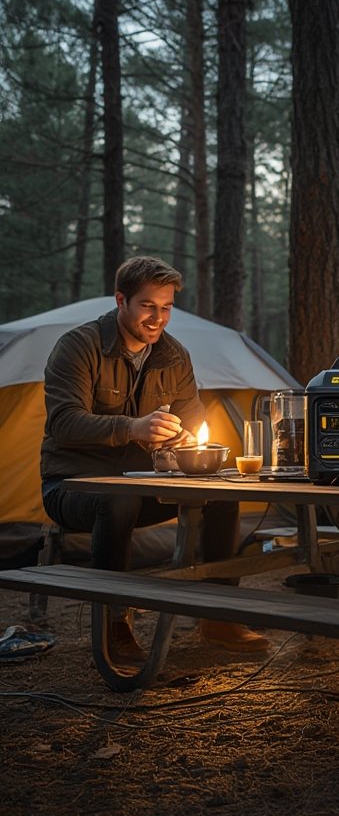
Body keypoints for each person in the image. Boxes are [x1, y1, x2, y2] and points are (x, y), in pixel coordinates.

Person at [41, 255, 268, 665]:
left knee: (222, 493)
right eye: (148, 305)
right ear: (120, 300)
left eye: (166, 308)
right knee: (118, 501)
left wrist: (183, 441)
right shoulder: (79, 346)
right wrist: (132, 428)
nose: (158, 318)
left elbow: (194, 422)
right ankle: (114, 624)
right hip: (72, 486)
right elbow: (63, 423)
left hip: (145, 483)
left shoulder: (174, 356)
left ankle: (217, 614)